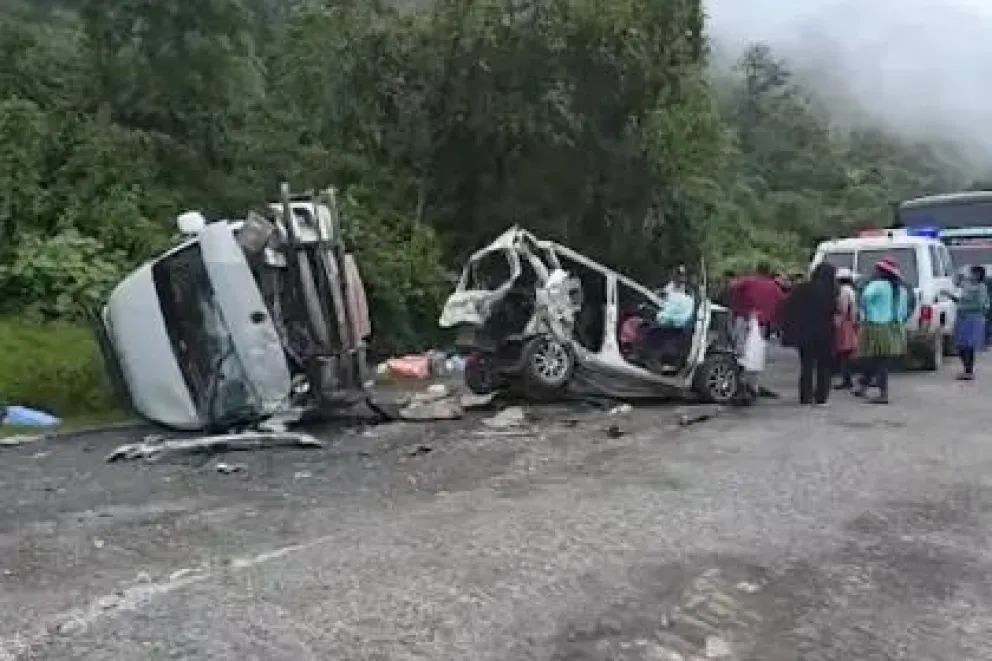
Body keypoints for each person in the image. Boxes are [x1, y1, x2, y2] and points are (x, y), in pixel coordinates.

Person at [854, 259, 911, 404]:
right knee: (881, 360)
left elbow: (864, 298)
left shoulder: (876, 285)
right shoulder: (901, 289)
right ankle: (864, 386)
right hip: (894, 328)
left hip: (876, 326)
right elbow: (904, 311)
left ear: (882, 272)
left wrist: (867, 312)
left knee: (874, 359)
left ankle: (881, 393)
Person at [781, 262, 838, 405]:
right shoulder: (832, 292)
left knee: (806, 366)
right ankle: (821, 397)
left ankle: (805, 397)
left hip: (805, 334)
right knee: (824, 367)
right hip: (825, 334)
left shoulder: (802, 289)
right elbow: (834, 311)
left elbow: (788, 307)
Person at [952, 265, 990, 379]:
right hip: (962, 317)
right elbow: (956, 282)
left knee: (968, 346)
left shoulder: (981, 287)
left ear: (978, 275)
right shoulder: (967, 285)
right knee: (960, 346)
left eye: (972, 273)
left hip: (973, 318)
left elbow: (980, 305)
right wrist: (950, 296)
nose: (970, 275)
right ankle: (967, 370)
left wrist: (964, 307)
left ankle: (968, 371)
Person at [834, 267, 859, 390]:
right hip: (850, 323)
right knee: (848, 353)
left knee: (844, 353)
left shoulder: (843, 291)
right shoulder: (851, 290)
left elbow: (843, 309)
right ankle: (848, 379)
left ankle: (847, 380)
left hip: (844, 324)